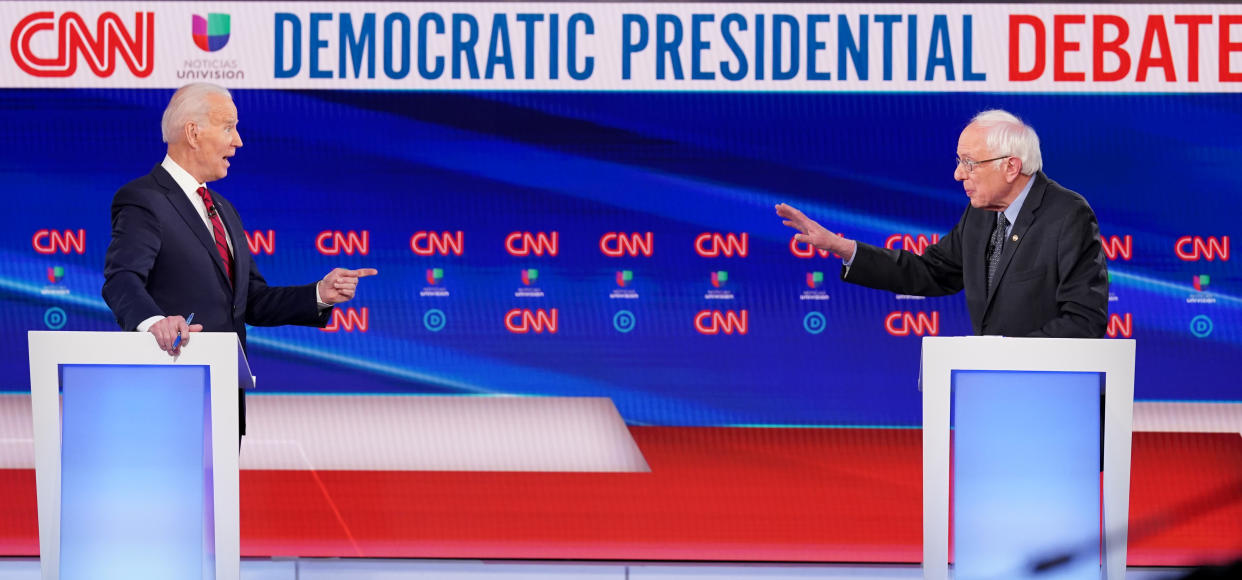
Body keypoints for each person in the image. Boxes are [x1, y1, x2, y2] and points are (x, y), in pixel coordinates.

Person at [102, 82, 377, 435]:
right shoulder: (144, 199)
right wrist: (155, 322)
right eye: (229, 127)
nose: (239, 141)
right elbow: (122, 278)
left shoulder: (224, 210)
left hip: (225, 401)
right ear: (193, 132)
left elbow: (253, 302)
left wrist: (320, 294)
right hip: (169, 394)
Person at [776, 109, 1108, 338]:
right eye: (959, 162)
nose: (958, 174)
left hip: (1052, 399)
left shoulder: (1067, 215)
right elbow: (930, 272)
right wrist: (843, 248)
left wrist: (1006, 357)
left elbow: (1084, 321)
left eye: (970, 163)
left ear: (1011, 166)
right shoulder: (980, 213)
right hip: (991, 392)